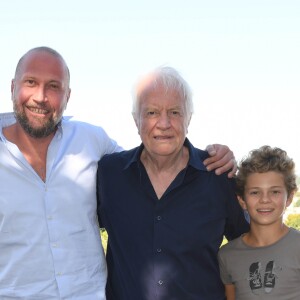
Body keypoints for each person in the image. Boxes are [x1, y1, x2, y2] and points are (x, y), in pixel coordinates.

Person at [0, 47, 236, 299]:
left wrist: (222, 156)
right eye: (31, 82)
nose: (41, 96)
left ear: (67, 95)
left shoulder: (93, 143)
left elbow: (153, 154)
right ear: (13, 86)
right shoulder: (113, 171)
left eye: (54, 86)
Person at [97, 66, 249, 300]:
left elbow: (249, 245)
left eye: (175, 112)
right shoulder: (109, 175)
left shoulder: (218, 176)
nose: (164, 123)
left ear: (188, 118)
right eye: (152, 113)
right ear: (136, 120)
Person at [218, 146, 300, 300]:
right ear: (242, 200)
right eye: (255, 192)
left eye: (275, 191)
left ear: (289, 198)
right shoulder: (227, 255)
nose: (264, 199)